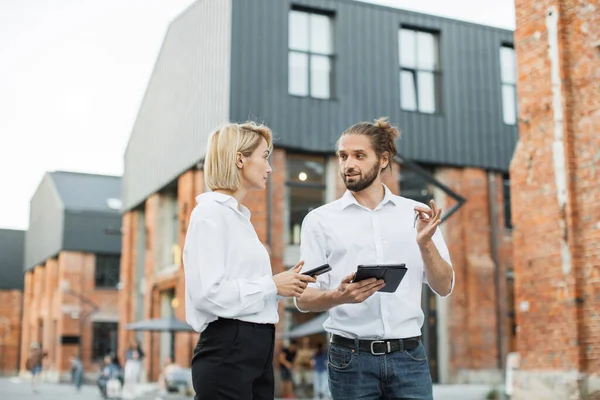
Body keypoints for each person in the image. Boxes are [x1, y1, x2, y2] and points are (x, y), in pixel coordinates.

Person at [296, 118, 454, 400]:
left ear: (383, 160)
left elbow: (444, 286)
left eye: (359, 155)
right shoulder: (319, 221)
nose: (348, 164)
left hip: (410, 358)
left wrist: (425, 244)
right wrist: (338, 296)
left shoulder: (415, 215)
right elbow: (303, 298)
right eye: (343, 156)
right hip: (350, 361)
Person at [183, 121, 317, 400]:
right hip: (229, 350)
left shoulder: (239, 218)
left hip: (257, 348)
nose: (270, 168)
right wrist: (272, 285)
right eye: (265, 156)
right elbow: (208, 295)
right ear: (239, 159)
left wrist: (286, 286)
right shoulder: (210, 214)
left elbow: (247, 293)